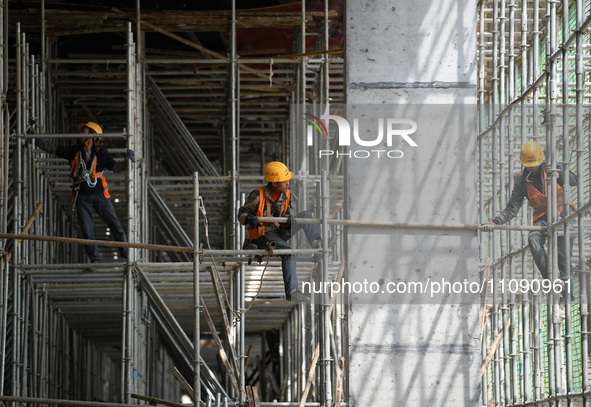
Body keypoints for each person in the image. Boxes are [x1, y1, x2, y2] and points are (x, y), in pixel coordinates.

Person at [483, 141, 576, 303]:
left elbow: (574, 180)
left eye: (535, 164)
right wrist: (495, 222)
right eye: (529, 165)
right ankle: (552, 281)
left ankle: (567, 296)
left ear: (541, 160)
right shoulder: (522, 182)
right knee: (533, 238)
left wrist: (560, 174)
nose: (532, 167)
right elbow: (512, 208)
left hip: (564, 214)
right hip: (542, 218)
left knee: (562, 251)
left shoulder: (553, 168)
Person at [36, 121, 135, 263]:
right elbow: (53, 148)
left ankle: (125, 253)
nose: (80, 134)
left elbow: (116, 168)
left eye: (84, 131)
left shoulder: (102, 153)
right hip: (82, 197)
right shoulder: (74, 151)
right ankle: (95, 260)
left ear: (92, 135)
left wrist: (128, 161)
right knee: (87, 232)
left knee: (115, 225)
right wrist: (35, 138)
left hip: (101, 196)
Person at [238, 161, 323, 303]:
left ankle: (317, 243)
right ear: (274, 183)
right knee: (288, 251)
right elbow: (241, 213)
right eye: (284, 181)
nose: (288, 183)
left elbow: (288, 212)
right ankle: (292, 291)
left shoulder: (287, 194)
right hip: (262, 234)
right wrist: (248, 218)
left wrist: (289, 219)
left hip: (279, 231)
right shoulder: (257, 195)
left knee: (306, 216)